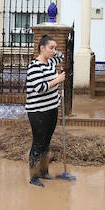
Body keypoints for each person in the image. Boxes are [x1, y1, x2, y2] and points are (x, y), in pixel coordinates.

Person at [25, 35, 66, 186]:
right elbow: (40, 88)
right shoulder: (34, 67)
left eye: (55, 48)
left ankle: (44, 172)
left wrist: (54, 50)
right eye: (51, 48)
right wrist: (57, 80)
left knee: (47, 143)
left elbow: (60, 55)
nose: (54, 51)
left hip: (51, 109)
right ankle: (34, 177)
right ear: (42, 48)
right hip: (38, 112)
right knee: (38, 143)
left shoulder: (51, 62)